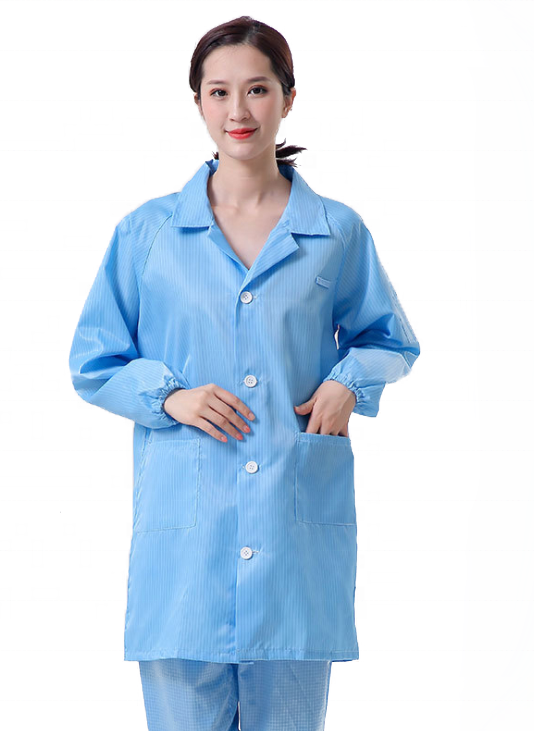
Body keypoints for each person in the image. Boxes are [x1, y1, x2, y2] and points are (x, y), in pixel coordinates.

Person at [68, 15, 420, 731]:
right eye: (219, 91)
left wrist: (348, 381)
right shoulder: (147, 233)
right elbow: (93, 359)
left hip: (292, 551)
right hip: (185, 558)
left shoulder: (336, 231)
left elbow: (389, 339)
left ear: (288, 97)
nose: (238, 110)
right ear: (197, 101)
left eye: (257, 89)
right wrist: (169, 396)